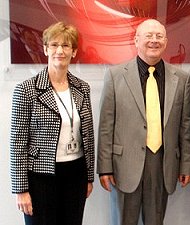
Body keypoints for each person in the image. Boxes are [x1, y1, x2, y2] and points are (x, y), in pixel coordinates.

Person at [97, 19, 190, 225]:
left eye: (159, 36)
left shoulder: (181, 79)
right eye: (148, 36)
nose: (154, 40)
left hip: (162, 164)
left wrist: (187, 164)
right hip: (124, 166)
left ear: (166, 42)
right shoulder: (115, 76)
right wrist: (104, 167)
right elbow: (106, 125)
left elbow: (186, 126)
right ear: (136, 40)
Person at [10, 21, 95, 225]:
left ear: (74, 52)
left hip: (75, 173)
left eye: (66, 46)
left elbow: (88, 136)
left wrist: (89, 177)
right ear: (46, 48)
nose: (60, 51)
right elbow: (18, 143)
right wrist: (21, 189)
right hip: (40, 177)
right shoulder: (26, 90)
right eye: (55, 45)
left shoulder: (82, 88)